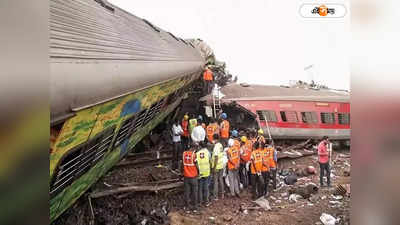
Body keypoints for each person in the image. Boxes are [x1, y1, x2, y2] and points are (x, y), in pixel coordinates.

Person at [182, 143, 199, 212]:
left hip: (186, 176)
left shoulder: (184, 154)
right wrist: (199, 172)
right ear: (194, 148)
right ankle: (195, 207)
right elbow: (196, 165)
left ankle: (187, 207)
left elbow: (182, 164)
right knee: (194, 192)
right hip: (193, 176)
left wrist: (181, 172)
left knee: (187, 192)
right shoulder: (194, 155)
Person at [196, 141, 212, 207]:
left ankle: (200, 202)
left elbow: (196, 163)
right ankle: (206, 202)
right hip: (207, 172)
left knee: (200, 188)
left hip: (200, 173)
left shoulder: (197, 153)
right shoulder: (208, 152)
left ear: (200, 146)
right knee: (206, 187)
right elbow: (210, 161)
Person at [211, 134, 224, 200]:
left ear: (214, 139)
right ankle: (222, 194)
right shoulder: (221, 145)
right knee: (220, 179)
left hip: (217, 166)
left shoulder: (216, 147)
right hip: (221, 165)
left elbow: (216, 157)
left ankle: (215, 196)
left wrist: (214, 167)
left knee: (215, 181)